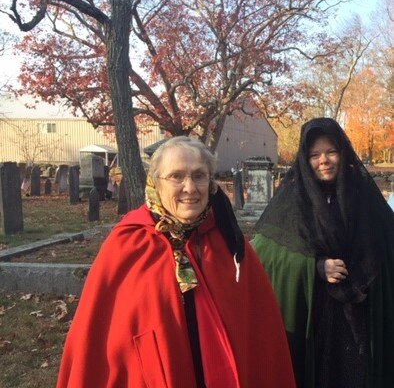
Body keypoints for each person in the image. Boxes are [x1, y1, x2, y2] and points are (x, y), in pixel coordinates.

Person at [56, 136, 295, 388]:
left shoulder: (230, 243)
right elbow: (100, 341)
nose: (190, 188)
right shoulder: (127, 244)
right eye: (177, 176)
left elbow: (260, 336)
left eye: (199, 176)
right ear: (156, 183)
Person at [251, 117, 394, 388]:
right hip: (315, 312)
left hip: (362, 309)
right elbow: (266, 253)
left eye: (331, 152)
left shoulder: (362, 192)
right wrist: (315, 266)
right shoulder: (293, 198)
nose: (324, 160)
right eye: (315, 155)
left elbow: (387, 240)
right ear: (306, 160)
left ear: (342, 152)